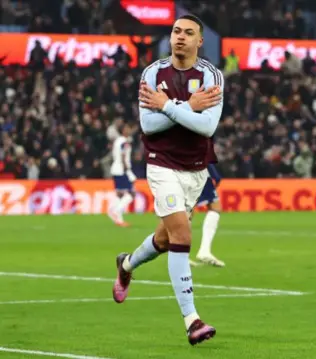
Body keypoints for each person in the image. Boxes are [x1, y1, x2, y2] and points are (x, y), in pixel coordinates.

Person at [111, 14, 224, 345]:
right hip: (161, 165)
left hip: (196, 169)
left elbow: (206, 127)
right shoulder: (152, 73)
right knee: (182, 235)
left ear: (199, 42)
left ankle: (127, 263)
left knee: (164, 240)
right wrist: (187, 105)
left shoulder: (211, 75)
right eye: (176, 31)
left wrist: (169, 107)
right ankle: (192, 320)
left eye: (189, 33)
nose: (181, 37)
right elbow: (149, 125)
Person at [191, 163, 225, 267]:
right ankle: (203, 251)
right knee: (215, 207)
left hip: (182, 168)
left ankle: (180, 255)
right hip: (197, 169)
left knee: (187, 209)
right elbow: (204, 148)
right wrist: (214, 173)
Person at [108, 123, 136, 227]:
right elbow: (123, 155)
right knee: (131, 193)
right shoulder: (124, 142)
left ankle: (115, 215)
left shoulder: (118, 141)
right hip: (122, 170)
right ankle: (117, 211)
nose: (129, 130)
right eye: (127, 128)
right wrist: (127, 170)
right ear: (123, 130)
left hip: (116, 169)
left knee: (120, 194)